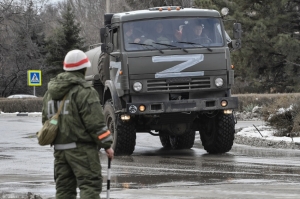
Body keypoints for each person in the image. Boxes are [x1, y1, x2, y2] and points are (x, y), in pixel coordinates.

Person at [41, 49, 114, 199]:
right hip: (82, 151)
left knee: (64, 191)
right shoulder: (85, 91)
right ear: (83, 69)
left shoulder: (50, 93)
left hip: (60, 153)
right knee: (89, 187)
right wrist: (107, 145)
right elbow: (96, 123)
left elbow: (45, 121)